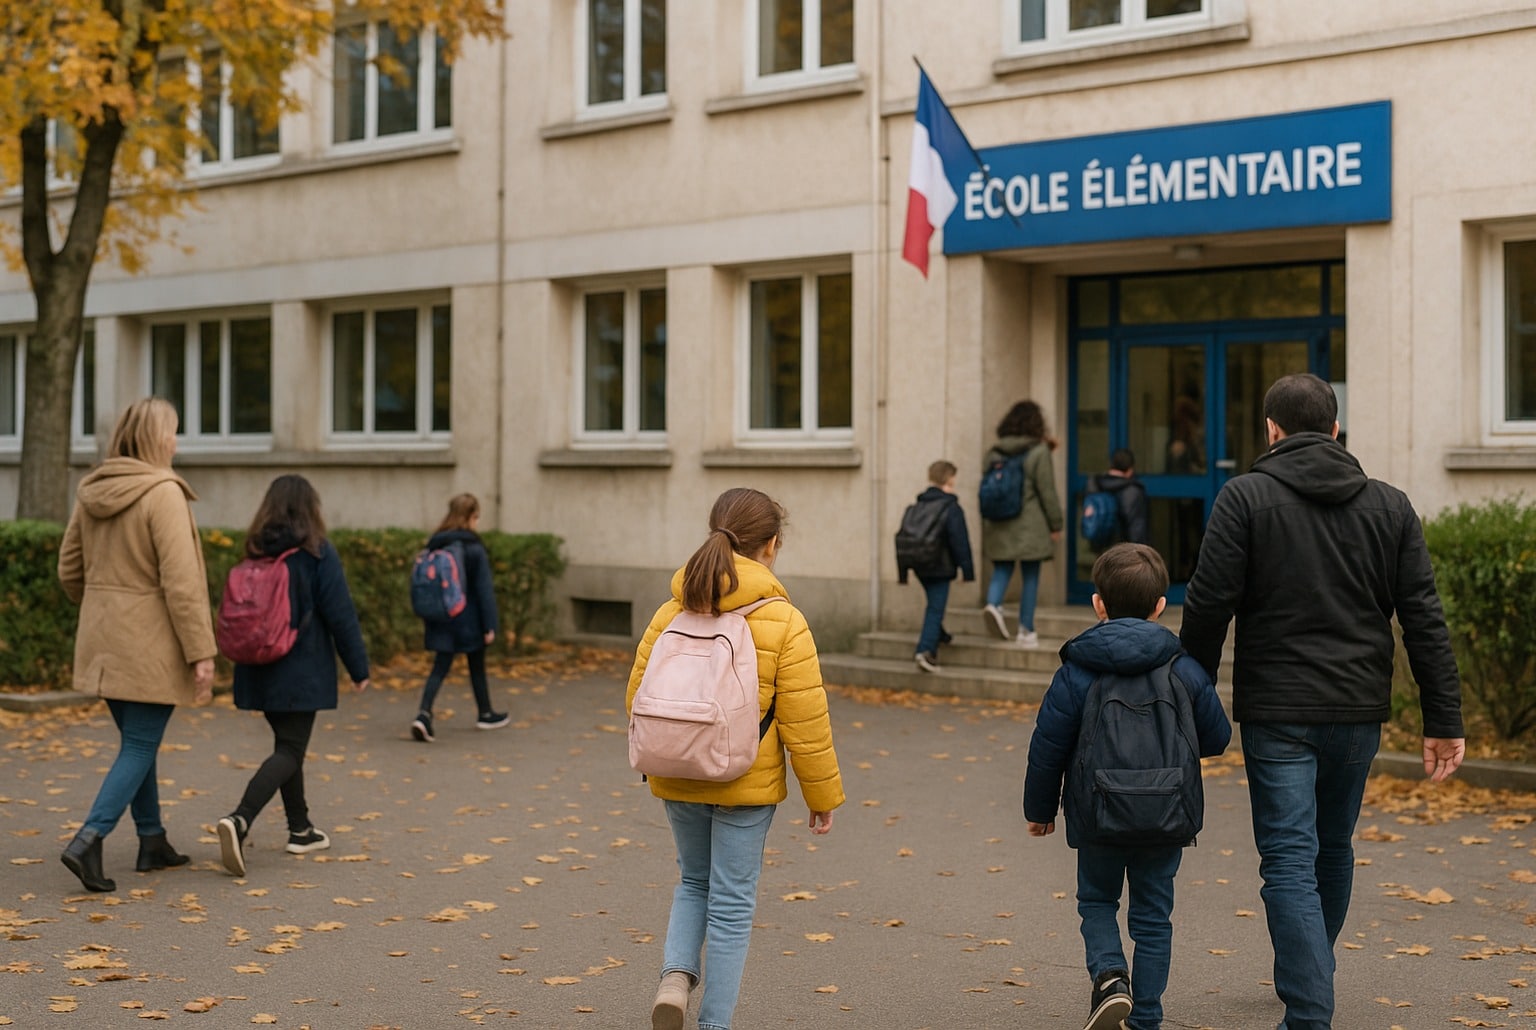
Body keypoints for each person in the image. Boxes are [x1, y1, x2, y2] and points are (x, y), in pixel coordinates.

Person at [1179, 372, 1464, 1030]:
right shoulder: (1390, 506)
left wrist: (1188, 702)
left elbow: (1209, 607)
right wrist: (1444, 720)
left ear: (1271, 431)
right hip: (1357, 711)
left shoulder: (1243, 497)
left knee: (1286, 855)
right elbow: (1424, 620)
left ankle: (1308, 1009)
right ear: (1336, 431)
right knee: (1331, 848)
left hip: (1278, 712)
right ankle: (1310, 977)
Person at [627, 487, 845, 1030]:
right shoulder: (784, 621)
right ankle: (713, 1024)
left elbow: (637, 697)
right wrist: (821, 797)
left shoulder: (670, 611)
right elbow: (806, 724)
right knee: (730, 906)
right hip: (746, 782)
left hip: (677, 774)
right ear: (771, 546)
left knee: (692, 882)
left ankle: (675, 978)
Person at [1024, 543, 1230, 1030]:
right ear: (1160, 606)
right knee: (1154, 915)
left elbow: (1048, 745)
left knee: (1097, 900)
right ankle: (1147, 1017)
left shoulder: (1077, 670)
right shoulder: (1183, 668)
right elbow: (1217, 737)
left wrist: (1041, 809)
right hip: (1167, 813)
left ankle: (1111, 977)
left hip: (1098, 813)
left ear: (1098, 604)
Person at [56, 397, 217, 893]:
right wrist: (201, 652)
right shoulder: (163, 493)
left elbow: (69, 570)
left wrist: (106, 608)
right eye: (172, 431)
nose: (176, 441)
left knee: (137, 744)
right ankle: (90, 837)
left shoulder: (93, 490)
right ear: (154, 438)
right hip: (149, 645)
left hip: (104, 643)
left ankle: (153, 840)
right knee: (142, 743)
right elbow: (182, 582)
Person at [216, 474, 371, 877]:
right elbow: (340, 613)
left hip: (257, 669)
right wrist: (359, 668)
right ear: (311, 508)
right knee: (289, 751)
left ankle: (300, 829)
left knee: (288, 747)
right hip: (299, 672)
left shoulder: (254, 552)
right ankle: (239, 819)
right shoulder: (316, 553)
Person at [409, 493, 504, 742]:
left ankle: (423, 713)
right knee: (477, 666)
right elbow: (483, 590)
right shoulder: (473, 547)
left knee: (440, 667)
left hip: (442, 616)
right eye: (476, 517)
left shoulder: (436, 543)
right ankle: (485, 713)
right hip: (468, 619)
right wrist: (490, 625)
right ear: (471, 517)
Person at [981, 400, 1064, 648]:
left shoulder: (993, 453)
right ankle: (1026, 631)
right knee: (1030, 576)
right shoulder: (1039, 452)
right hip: (1030, 524)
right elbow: (1046, 491)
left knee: (1002, 569)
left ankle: (993, 604)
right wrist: (1056, 523)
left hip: (999, 522)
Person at [898, 460, 975, 673]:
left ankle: (941, 635)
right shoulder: (951, 507)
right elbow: (960, 541)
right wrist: (967, 571)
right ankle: (925, 652)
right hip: (941, 567)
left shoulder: (917, 506)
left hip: (919, 566)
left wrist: (903, 572)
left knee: (934, 603)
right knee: (935, 607)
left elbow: (902, 538)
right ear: (949, 480)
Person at [1085, 447, 1150, 546]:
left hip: (1100, 546)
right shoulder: (1132, 490)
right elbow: (1136, 528)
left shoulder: (1095, 483)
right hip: (1122, 549)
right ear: (1130, 470)